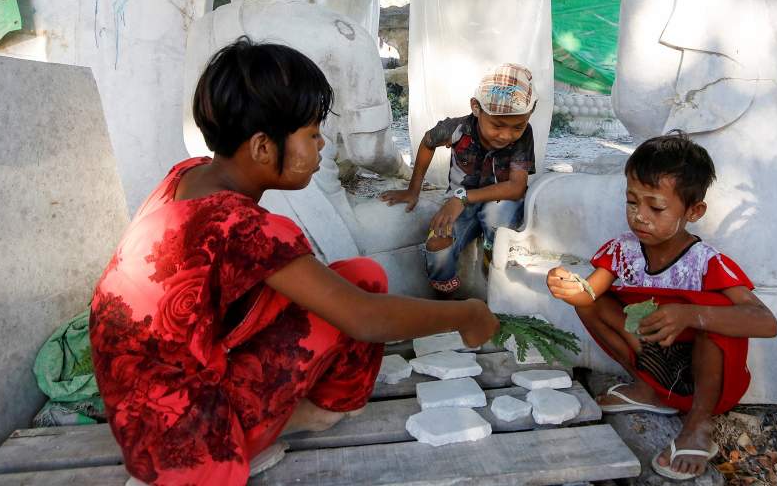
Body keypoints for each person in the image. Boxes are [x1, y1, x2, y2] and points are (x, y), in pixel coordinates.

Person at [90, 39, 499, 486]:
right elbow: (365, 319)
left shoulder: (187, 176)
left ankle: (277, 420)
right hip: (184, 442)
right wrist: (466, 313)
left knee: (358, 276)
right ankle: (264, 431)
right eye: (311, 133)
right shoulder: (245, 227)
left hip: (136, 410)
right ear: (264, 147)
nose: (322, 144)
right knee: (359, 299)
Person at [545, 133, 777, 481]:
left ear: (693, 211)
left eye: (655, 207)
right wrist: (567, 286)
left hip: (704, 380)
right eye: (631, 202)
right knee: (596, 304)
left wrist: (691, 314)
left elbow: (766, 322)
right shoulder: (621, 251)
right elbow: (589, 295)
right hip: (653, 362)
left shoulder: (705, 263)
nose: (640, 217)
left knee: (717, 313)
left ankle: (698, 424)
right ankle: (649, 390)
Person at [381, 63, 537, 296]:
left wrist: (462, 198)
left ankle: (493, 261)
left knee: (496, 217)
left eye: (518, 127)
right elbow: (428, 141)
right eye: (497, 125)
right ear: (476, 108)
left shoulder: (524, 137)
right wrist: (414, 190)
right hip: (460, 205)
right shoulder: (457, 129)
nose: (506, 135)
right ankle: (448, 296)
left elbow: (516, 188)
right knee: (437, 243)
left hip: (499, 201)